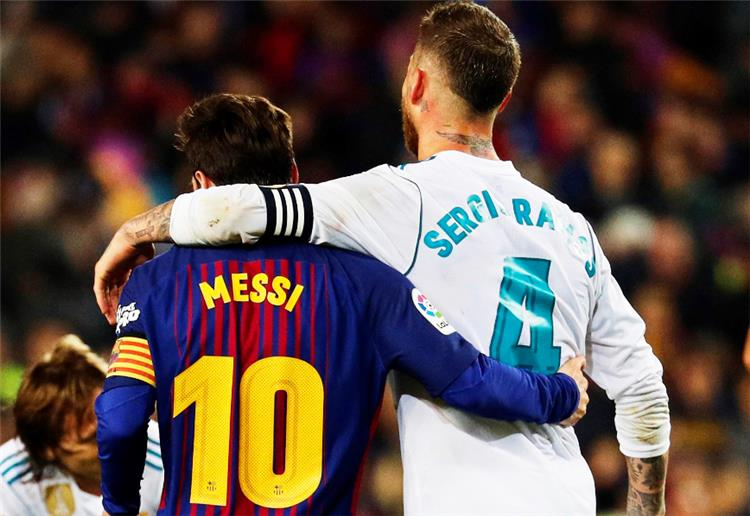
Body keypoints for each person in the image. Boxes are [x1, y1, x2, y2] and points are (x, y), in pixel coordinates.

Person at [94, 3, 671, 514]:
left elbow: (240, 209)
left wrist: (131, 232)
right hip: (567, 498)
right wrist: (639, 498)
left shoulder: (397, 200)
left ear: (416, 84)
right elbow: (643, 389)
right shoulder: (572, 228)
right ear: (503, 99)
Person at [0, 334, 163, 515]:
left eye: (110, 425)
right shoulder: (10, 478)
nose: (111, 444)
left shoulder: (165, 459)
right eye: (92, 439)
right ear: (46, 449)